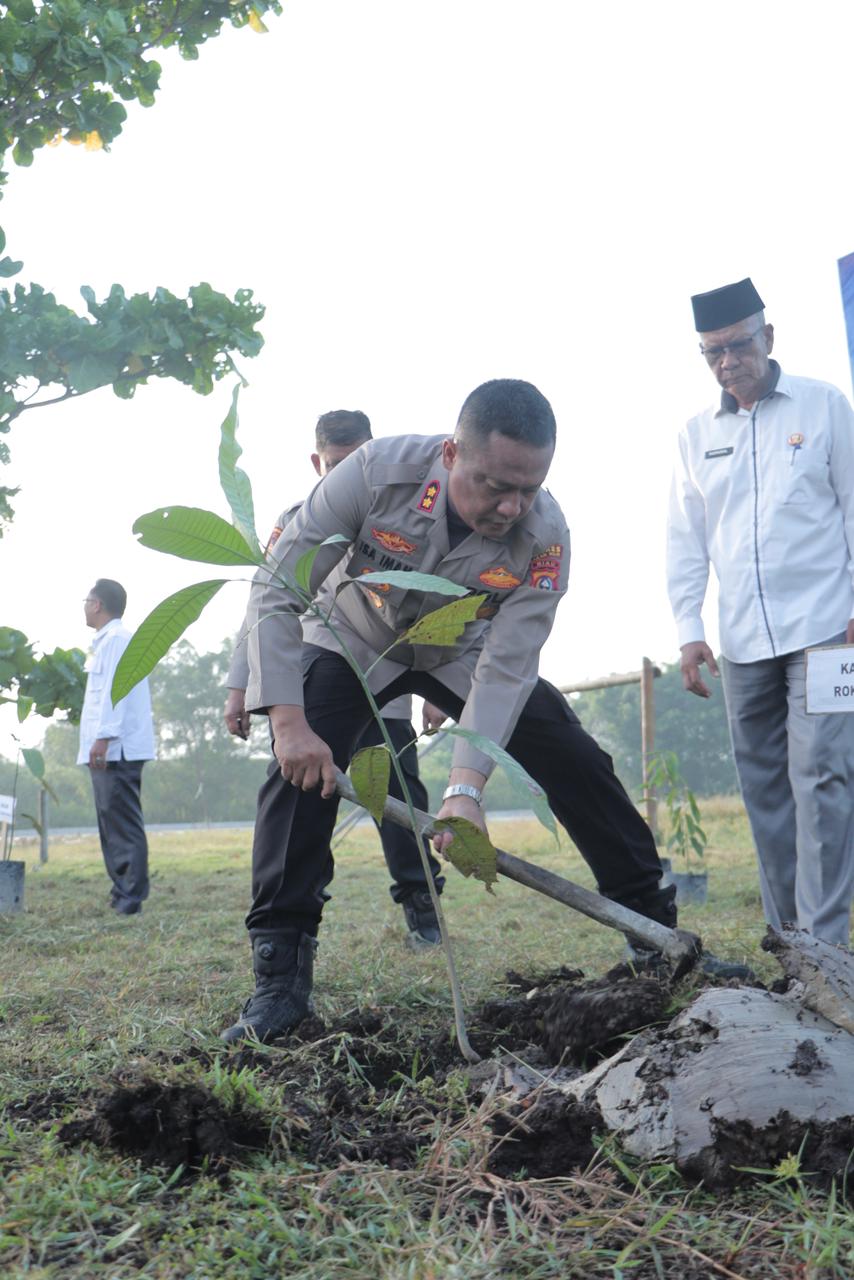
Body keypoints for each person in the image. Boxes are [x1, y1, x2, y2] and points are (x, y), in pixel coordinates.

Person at [223, 378, 706, 1045]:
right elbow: (277, 590)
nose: (509, 507)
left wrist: (463, 788)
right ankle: (279, 979)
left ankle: (654, 934)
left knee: (574, 756)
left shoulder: (546, 536)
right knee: (299, 776)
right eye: (492, 485)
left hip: (460, 648)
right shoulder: (371, 475)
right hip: (355, 635)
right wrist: (287, 722)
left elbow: (508, 666)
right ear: (452, 454)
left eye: (527, 489)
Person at [667, 277, 854, 946]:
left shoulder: (825, 406)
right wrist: (689, 631)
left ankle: (828, 952)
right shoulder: (696, 436)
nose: (727, 362)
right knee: (766, 791)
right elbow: (685, 541)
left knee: (824, 777)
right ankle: (791, 944)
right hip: (742, 642)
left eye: (737, 345)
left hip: (829, 632)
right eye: (712, 353)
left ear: (767, 338)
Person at [223, 409, 448, 949]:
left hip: (384, 681)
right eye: (336, 464)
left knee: (399, 798)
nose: (350, 472)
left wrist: (441, 688)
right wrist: (239, 684)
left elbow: (433, 595)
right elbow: (263, 599)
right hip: (309, 686)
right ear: (316, 462)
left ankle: (423, 908)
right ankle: (294, 926)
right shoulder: (298, 517)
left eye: (359, 460)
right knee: (305, 799)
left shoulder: (403, 517)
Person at [77, 579, 155, 915]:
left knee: (122, 823)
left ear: (97, 604)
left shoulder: (119, 640)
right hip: (107, 747)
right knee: (111, 822)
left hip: (117, 748)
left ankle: (131, 896)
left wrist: (104, 737)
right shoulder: (103, 641)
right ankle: (121, 891)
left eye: (86, 599)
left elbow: (115, 689)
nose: (83, 605)